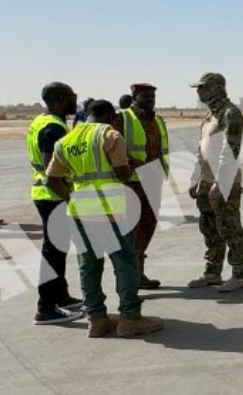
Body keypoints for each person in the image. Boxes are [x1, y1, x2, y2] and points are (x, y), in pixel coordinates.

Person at [46, 99, 164, 338]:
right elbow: (122, 173)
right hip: (110, 212)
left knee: (88, 266)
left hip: (79, 213)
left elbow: (51, 180)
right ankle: (130, 318)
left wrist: (70, 199)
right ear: (111, 116)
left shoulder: (65, 141)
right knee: (125, 263)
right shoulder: (110, 136)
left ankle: (97, 319)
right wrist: (133, 170)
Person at [25, 82, 84, 324]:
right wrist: (69, 196)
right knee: (54, 254)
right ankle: (45, 308)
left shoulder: (42, 121)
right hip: (54, 196)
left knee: (57, 250)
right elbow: (53, 171)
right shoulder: (53, 127)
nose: (75, 100)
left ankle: (61, 296)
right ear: (60, 98)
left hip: (47, 195)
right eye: (72, 96)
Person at [187, 72, 243, 292]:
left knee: (229, 226)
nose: (199, 92)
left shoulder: (231, 114)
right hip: (206, 180)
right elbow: (202, 151)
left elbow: (231, 151)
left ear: (216, 88)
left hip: (225, 181)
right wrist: (196, 178)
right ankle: (212, 272)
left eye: (203, 87)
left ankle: (240, 274)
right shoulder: (209, 116)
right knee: (209, 228)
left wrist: (220, 183)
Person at [118, 82, 170, 290]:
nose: (150, 100)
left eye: (153, 97)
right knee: (131, 227)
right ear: (134, 96)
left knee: (148, 224)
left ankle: (138, 272)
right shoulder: (122, 118)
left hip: (153, 178)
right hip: (132, 181)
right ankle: (130, 276)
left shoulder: (158, 119)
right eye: (146, 96)